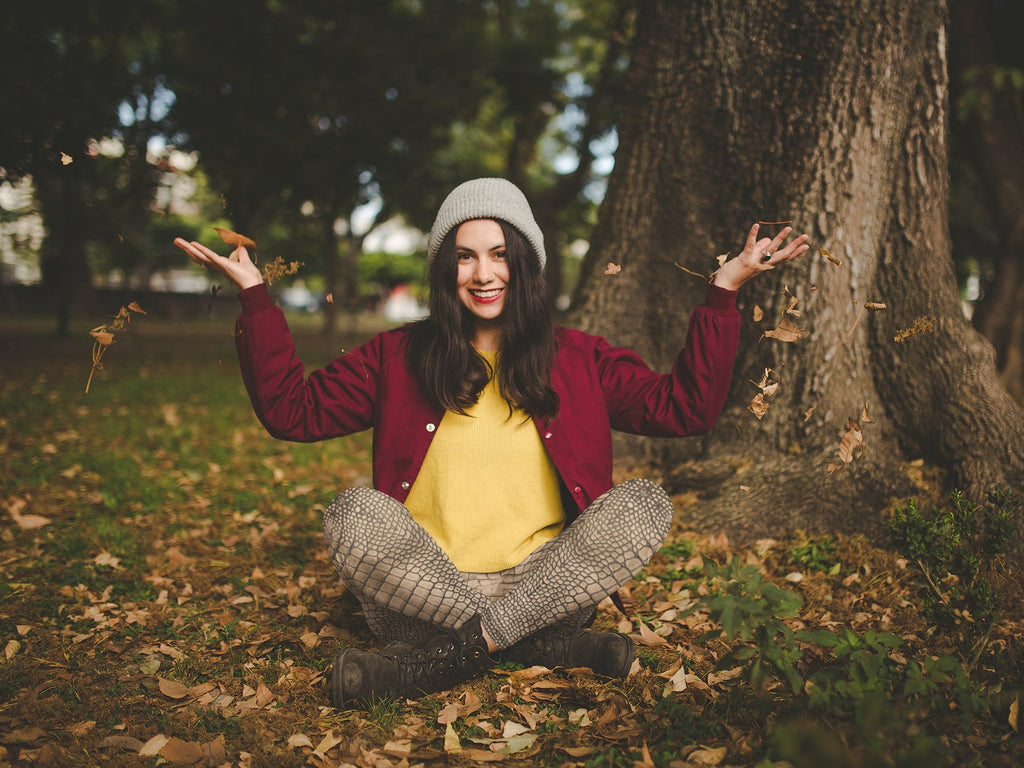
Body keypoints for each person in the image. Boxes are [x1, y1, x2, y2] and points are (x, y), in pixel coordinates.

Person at [174, 178, 808, 708]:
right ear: (445, 267)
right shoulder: (397, 355)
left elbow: (687, 409)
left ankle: (433, 664)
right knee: (351, 514)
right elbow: (292, 412)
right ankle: (535, 649)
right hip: (420, 594)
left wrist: (722, 293)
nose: (484, 274)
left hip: (546, 589)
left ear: (525, 264)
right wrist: (256, 299)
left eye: (500, 254)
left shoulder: (579, 357)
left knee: (644, 503)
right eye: (466, 256)